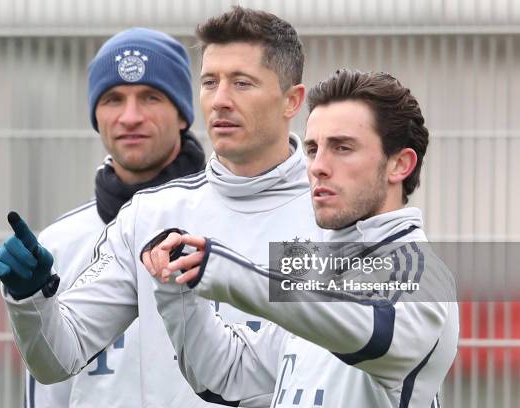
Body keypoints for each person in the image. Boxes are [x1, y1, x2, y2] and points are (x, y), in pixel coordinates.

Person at [0, 7, 327, 407]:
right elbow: (58, 358)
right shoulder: (149, 215)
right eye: (209, 82)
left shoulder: (338, 213)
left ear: (292, 100)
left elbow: (403, 349)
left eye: (241, 83)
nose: (220, 101)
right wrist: (30, 298)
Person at [142, 70, 459, 408]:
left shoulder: (419, 272)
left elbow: (373, 332)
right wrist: (178, 285)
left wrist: (225, 269)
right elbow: (228, 372)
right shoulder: (318, 275)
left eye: (342, 147)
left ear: (399, 165)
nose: (318, 166)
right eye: (312, 149)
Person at [18, 28, 206, 407]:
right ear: (95, 116)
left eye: (150, 97)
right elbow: (48, 387)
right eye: (113, 99)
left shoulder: (226, 227)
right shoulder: (57, 245)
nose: (130, 116)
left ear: (183, 114)